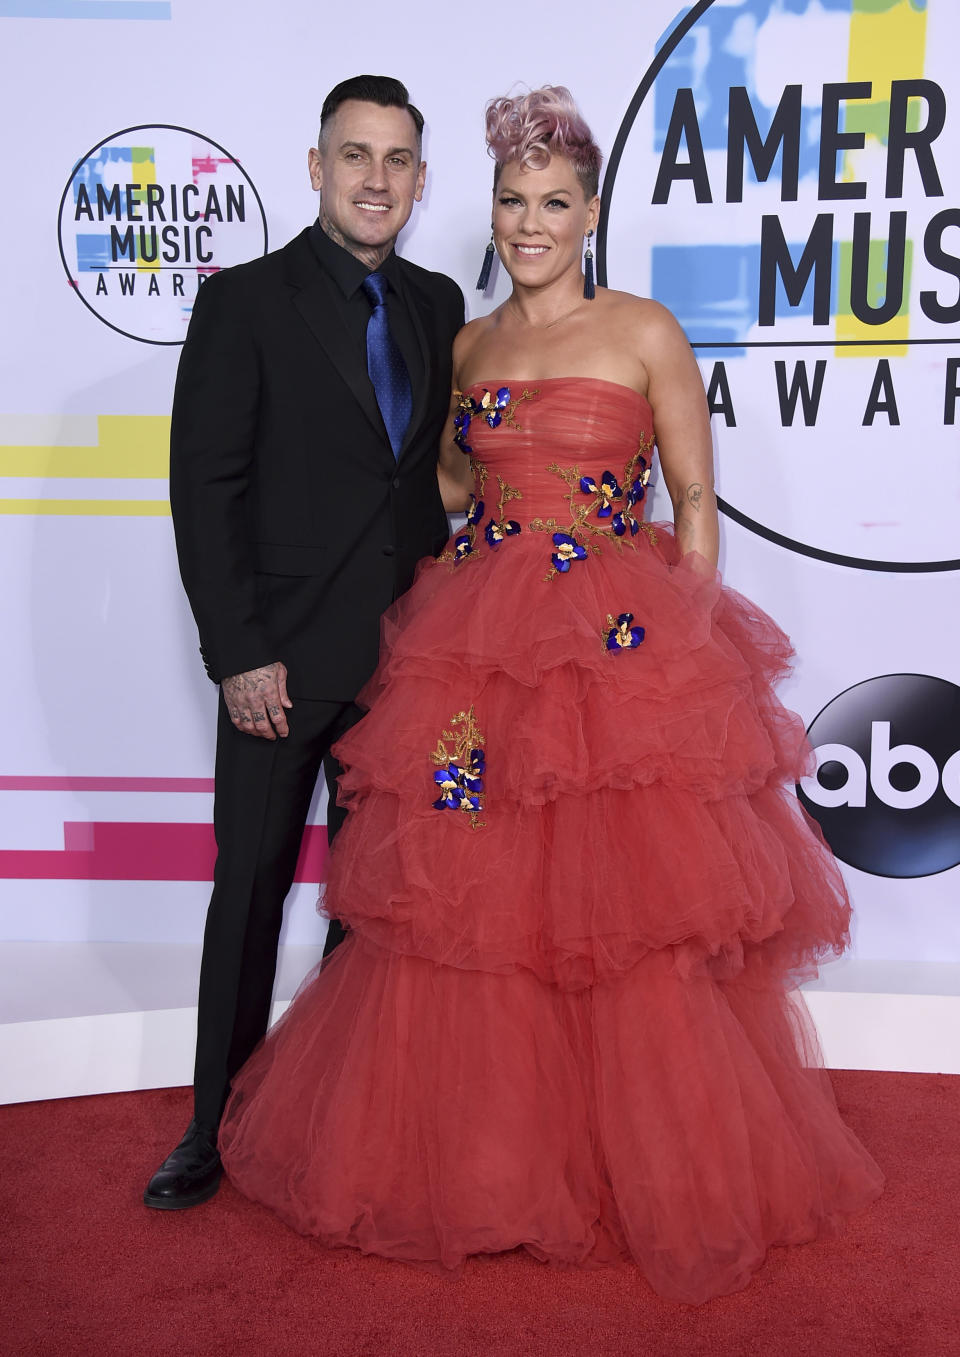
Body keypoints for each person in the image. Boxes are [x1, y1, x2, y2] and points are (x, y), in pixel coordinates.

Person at [217, 87, 883, 1302]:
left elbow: (690, 502)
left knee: (616, 913)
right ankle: (489, 1159)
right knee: (475, 906)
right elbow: (460, 483)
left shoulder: (644, 332)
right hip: (474, 658)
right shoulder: (466, 344)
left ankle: (638, 1164)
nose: (531, 224)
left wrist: (678, 651)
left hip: (615, 655)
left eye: (554, 204)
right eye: (514, 204)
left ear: (590, 213)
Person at [145, 75, 465, 1211]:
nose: (375, 178)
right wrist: (237, 651)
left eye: (396, 161)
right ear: (315, 167)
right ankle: (211, 1127)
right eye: (354, 155)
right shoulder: (246, 303)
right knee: (253, 891)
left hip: (408, 663)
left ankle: (335, 1116)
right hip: (279, 665)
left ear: (421, 183)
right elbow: (206, 487)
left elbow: (430, 479)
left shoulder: (435, 303)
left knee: (374, 904)